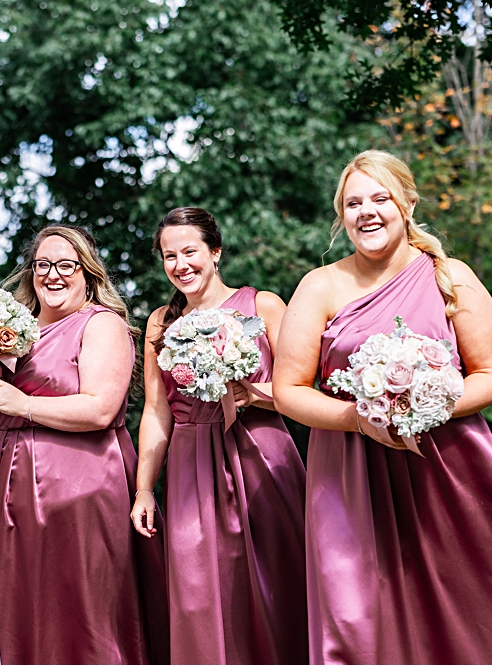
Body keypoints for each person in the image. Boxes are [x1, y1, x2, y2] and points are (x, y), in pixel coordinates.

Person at [271, 150, 492, 664]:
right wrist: (359, 419)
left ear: (406, 203)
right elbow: (288, 389)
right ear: (341, 215)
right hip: (349, 472)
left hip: (447, 466)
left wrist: (421, 407)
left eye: (380, 198)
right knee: (357, 610)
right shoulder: (320, 286)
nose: (367, 211)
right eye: (353, 202)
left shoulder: (451, 275)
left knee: (470, 598)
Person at [0, 224, 167, 664]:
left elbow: (101, 410)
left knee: (76, 609)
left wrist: (23, 404)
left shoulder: (101, 324)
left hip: (79, 488)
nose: (53, 275)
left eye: (66, 265)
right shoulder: (8, 325)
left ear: (87, 272)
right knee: (0, 602)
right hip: (2, 483)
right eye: (43, 265)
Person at [128, 207, 307, 663]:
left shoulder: (263, 305)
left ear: (216, 252)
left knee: (274, 582)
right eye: (169, 256)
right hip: (191, 462)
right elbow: (156, 410)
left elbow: (306, 388)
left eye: (190, 251)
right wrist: (144, 488)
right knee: (197, 589)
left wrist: (252, 394)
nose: (180, 264)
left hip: (260, 452)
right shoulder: (158, 323)